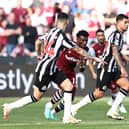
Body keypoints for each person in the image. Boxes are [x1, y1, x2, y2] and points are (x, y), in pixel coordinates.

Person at [2, 12, 103, 124]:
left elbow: (38, 41)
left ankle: (67, 117)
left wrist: (39, 55)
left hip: (52, 68)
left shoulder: (51, 31)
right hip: (45, 69)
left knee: (69, 86)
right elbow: (78, 49)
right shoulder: (61, 36)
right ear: (67, 23)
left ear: (56, 21)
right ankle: (10, 106)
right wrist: (95, 58)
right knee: (36, 97)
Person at [71, 14, 129, 120]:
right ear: (118, 22)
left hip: (112, 68)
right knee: (98, 94)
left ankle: (113, 110)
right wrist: (122, 67)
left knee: (126, 85)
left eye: (128, 22)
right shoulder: (116, 35)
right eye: (125, 22)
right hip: (106, 67)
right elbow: (115, 52)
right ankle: (75, 107)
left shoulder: (119, 35)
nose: (127, 24)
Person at [43, 30, 89, 120]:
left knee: (70, 98)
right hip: (60, 67)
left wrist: (82, 64)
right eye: (82, 40)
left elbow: (82, 69)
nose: (84, 43)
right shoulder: (69, 45)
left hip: (71, 71)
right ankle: (49, 106)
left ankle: (53, 111)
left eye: (86, 41)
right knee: (67, 89)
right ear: (77, 39)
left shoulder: (85, 50)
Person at [88, 29, 127, 113]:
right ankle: (75, 107)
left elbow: (118, 52)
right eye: (99, 36)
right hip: (103, 70)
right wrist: (93, 73)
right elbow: (90, 62)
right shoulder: (94, 48)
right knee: (98, 93)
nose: (101, 37)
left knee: (115, 88)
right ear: (96, 37)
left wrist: (125, 59)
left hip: (112, 70)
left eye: (102, 35)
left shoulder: (108, 44)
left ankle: (117, 106)